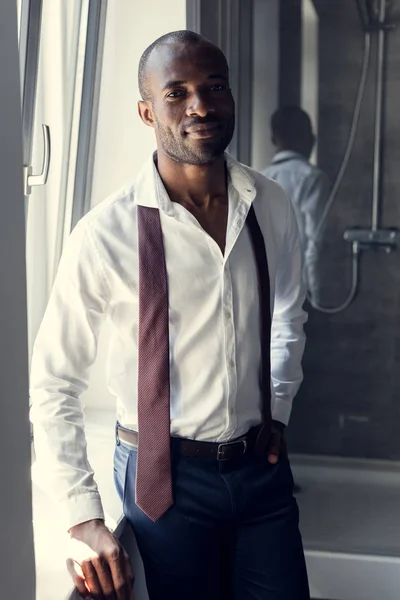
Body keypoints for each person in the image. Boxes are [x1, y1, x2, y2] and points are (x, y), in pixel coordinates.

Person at [30, 31, 310, 600]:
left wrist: (276, 407)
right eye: (176, 93)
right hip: (161, 481)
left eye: (213, 88)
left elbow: (289, 315)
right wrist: (82, 516)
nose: (200, 106)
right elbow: (54, 382)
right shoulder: (103, 234)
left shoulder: (270, 204)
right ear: (146, 110)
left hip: (262, 473)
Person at [263, 106, 331, 304]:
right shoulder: (312, 178)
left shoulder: (259, 177)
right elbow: (315, 243)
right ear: (310, 138)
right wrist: (317, 296)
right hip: (301, 291)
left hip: (268, 290)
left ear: (273, 140)